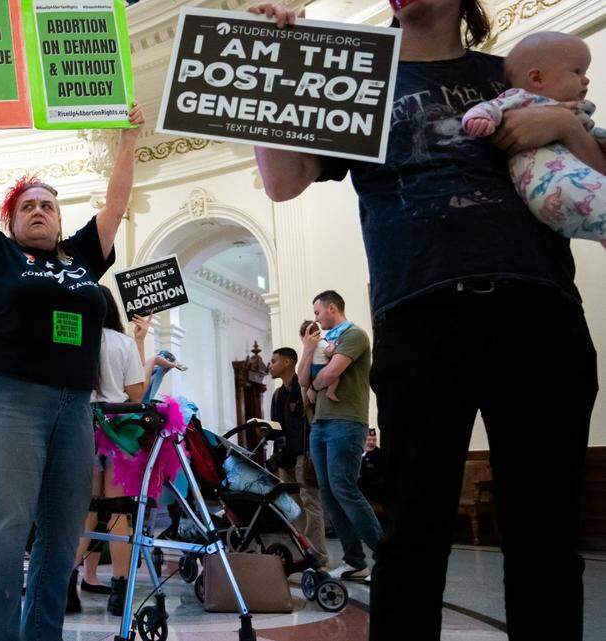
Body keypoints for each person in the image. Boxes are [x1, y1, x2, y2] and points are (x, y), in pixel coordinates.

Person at [250, 2, 597, 639]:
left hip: (538, 313)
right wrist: (273, 65)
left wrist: (564, 127)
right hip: (421, 318)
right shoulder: (357, 79)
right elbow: (282, 181)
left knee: (545, 535)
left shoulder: (520, 74)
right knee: (412, 531)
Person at [0, 93, 143, 641]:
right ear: (11, 222)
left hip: (73, 406)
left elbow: (114, 205)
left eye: (47, 206)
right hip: (7, 398)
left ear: (60, 220)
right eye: (27, 206)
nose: (38, 211)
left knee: (63, 533)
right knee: (7, 527)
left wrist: (130, 136)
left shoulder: (81, 257)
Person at [68, 287, 174, 616]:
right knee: (118, 514)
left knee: (81, 512)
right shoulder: (122, 342)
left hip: (79, 431)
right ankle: (119, 590)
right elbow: (136, 399)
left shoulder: (71, 337)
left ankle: (66, 586)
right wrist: (140, 344)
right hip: (117, 435)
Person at [461, 31, 606, 247]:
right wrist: (479, 119)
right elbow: (491, 107)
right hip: (545, 186)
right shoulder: (519, 99)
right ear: (536, 78)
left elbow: (593, 139)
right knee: (593, 198)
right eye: (577, 71)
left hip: (573, 188)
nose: (585, 79)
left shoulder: (574, 113)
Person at [299, 291, 381, 581]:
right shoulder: (324, 341)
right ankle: (354, 561)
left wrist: (317, 382)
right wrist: (308, 351)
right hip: (321, 423)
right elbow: (303, 380)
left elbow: (324, 377)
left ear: (332, 308)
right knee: (330, 496)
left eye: (318, 312)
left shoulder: (354, 335)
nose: (317, 318)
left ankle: (386, 556)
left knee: (344, 488)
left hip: (346, 422)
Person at [268, 346, 328, 569]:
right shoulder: (277, 395)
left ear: (287, 363)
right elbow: (277, 428)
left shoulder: (303, 387)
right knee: (293, 506)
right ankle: (304, 550)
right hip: (286, 457)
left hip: (305, 453)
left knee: (310, 501)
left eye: (273, 361)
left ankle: (318, 555)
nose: (269, 365)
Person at [359, 428, 386, 505]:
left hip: (372, 496)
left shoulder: (379, 456)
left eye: (374, 440)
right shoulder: (358, 452)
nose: (372, 443)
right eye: (369, 440)